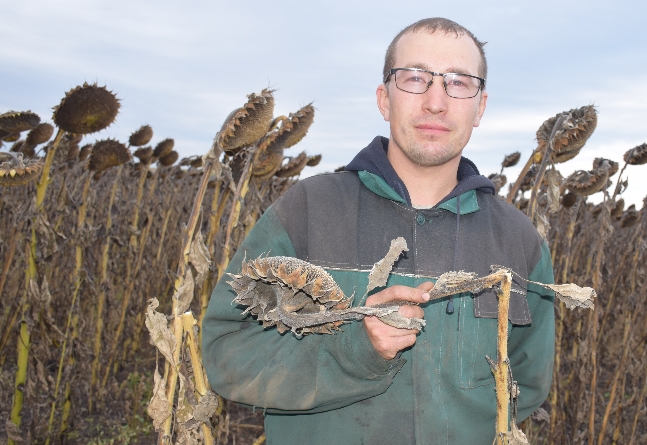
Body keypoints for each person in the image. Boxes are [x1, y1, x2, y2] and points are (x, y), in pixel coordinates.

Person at [202, 17, 555, 444]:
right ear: (384, 99)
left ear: (480, 107)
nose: (436, 102)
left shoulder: (520, 242)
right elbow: (227, 354)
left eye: (458, 83)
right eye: (415, 78)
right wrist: (355, 351)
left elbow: (524, 388)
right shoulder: (307, 211)